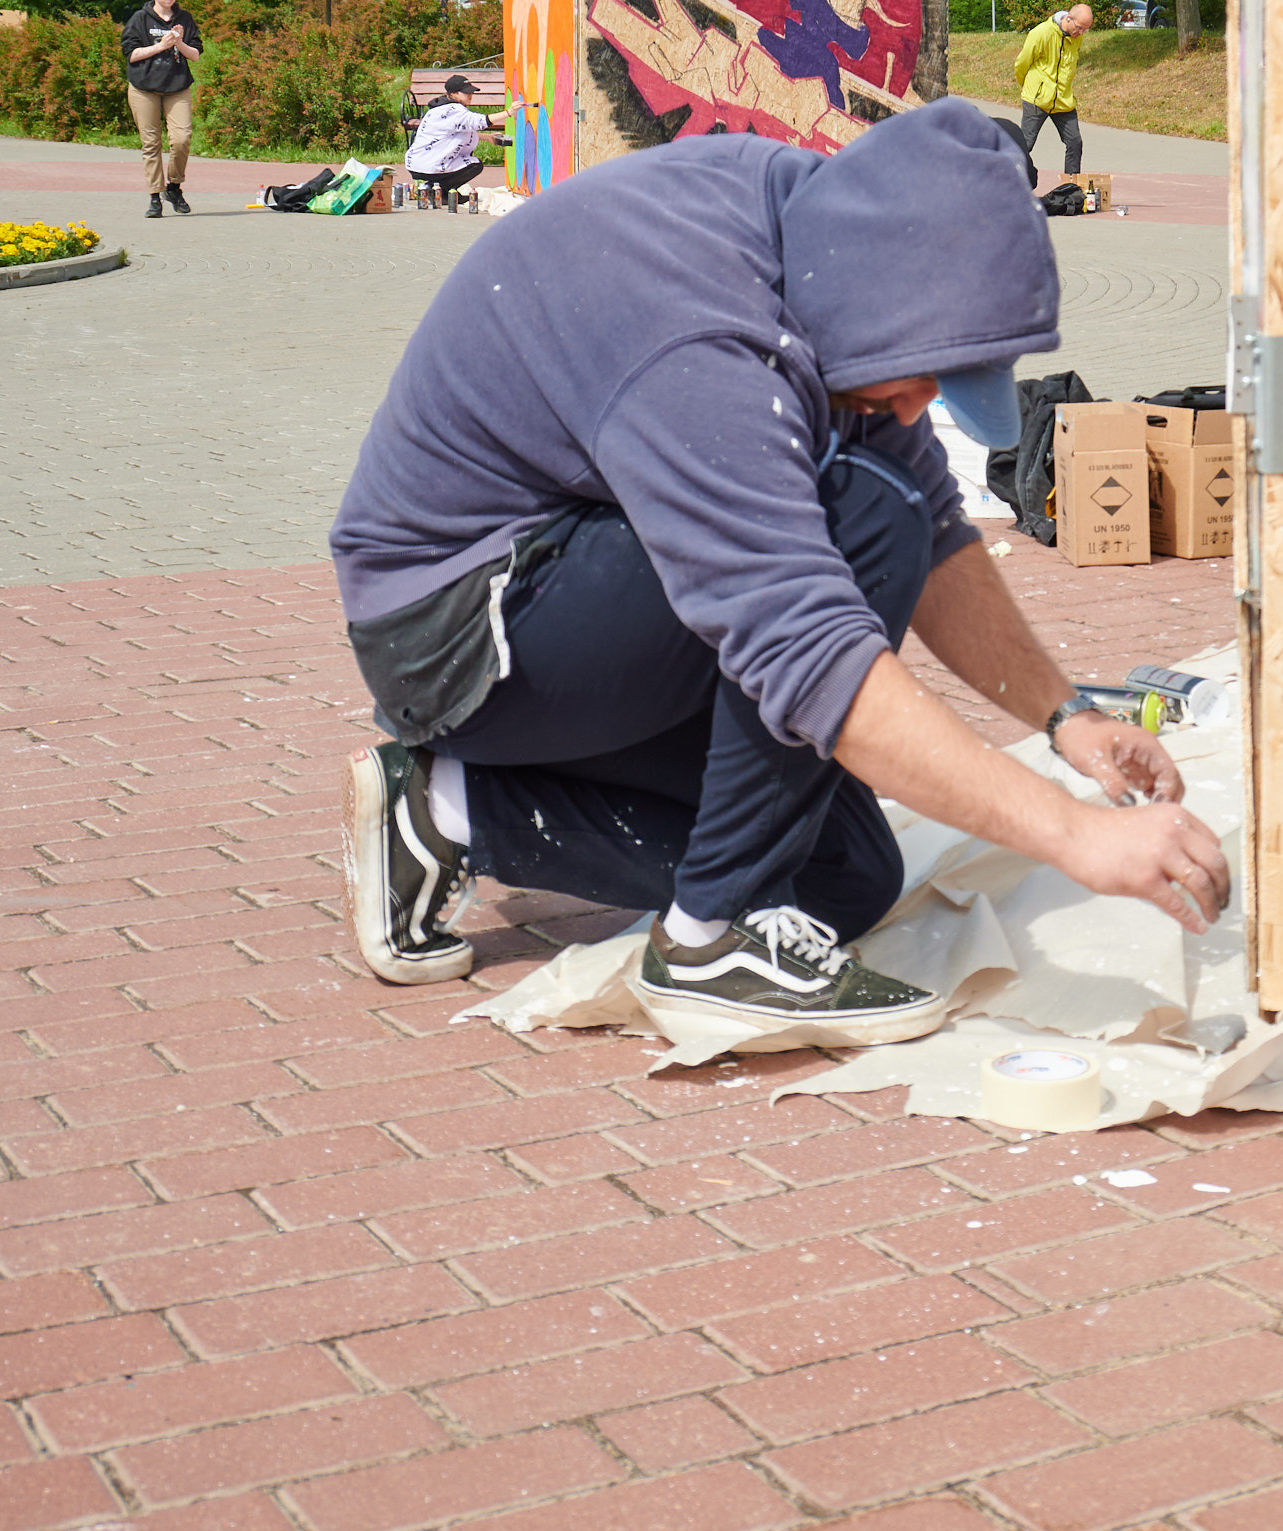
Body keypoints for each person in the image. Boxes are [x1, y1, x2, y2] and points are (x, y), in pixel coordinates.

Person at [330, 101, 1229, 1032]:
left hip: (565, 594)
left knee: (845, 879)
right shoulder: (703, 328)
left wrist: (1066, 718)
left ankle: (449, 810)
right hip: (459, 632)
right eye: (923, 377)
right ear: (879, 299)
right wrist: (1076, 834)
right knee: (864, 509)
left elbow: (938, 533)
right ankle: (708, 942)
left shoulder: (837, 256)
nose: (920, 409)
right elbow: (804, 642)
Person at [119, 0, 204, 219]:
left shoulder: (184, 19)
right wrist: (160, 46)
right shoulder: (140, 19)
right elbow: (131, 54)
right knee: (151, 143)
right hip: (143, 87)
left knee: (181, 139)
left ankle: (174, 188)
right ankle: (155, 197)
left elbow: (196, 54)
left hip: (177, 86)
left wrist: (178, 42)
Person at [1013, 0, 1093, 181]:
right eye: (1079, 28)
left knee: (1075, 142)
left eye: (1085, 30)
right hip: (1037, 100)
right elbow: (1022, 64)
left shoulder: (1076, 38)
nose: (1080, 33)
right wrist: (1031, 88)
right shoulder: (1041, 33)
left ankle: (1071, 186)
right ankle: (1012, 183)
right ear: (1069, 18)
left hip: (1063, 101)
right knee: (1025, 144)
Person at [405, 73, 500, 208]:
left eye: (471, 93)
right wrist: (509, 112)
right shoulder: (454, 110)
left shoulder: (440, 109)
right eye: (466, 93)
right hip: (429, 166)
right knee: (474, 165)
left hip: (417, 162)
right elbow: (481, 121)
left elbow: (455, 133)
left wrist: (488, 138)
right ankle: (438, 191)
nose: (470, 96)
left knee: (467, 162)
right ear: (454, 94)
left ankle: (436, 189)